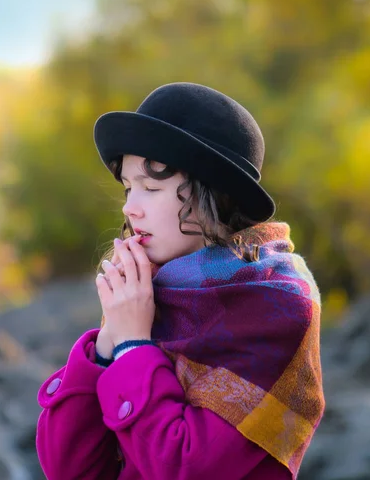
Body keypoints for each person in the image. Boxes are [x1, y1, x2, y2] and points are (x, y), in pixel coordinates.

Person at [36, 82, 325, 480]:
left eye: (150, 188)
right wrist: (111, 339)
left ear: (213, 196)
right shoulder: (152, 294)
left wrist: (135, 346)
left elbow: (185, 468)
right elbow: (69, 470)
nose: (129, 208)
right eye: (128, 187)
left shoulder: (277, 305)